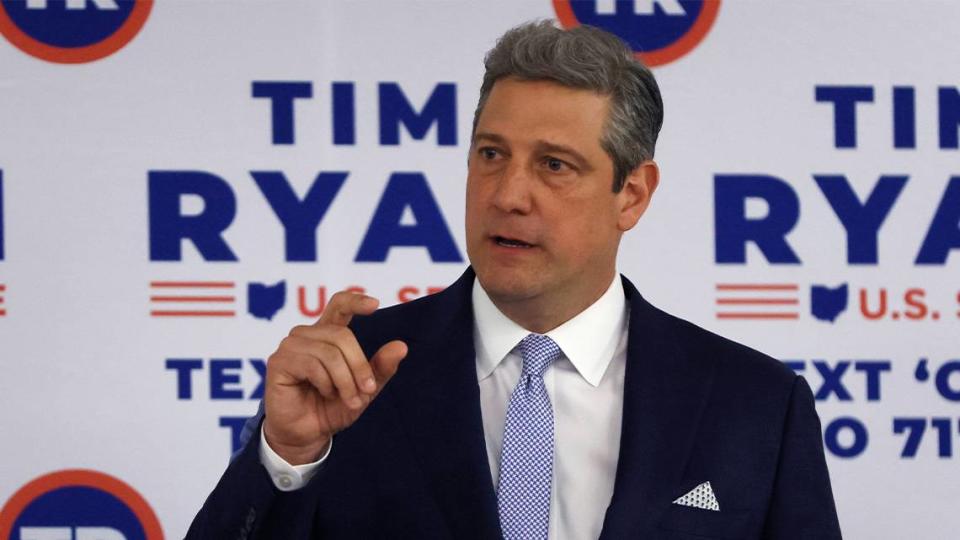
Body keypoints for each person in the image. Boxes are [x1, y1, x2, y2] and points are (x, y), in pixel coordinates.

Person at [188, 21, 842, 539]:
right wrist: (289, 456)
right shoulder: (355, 376)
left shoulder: (756, 407)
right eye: (491, 155)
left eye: (554, 165)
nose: (508, 195)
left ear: (632, 195)